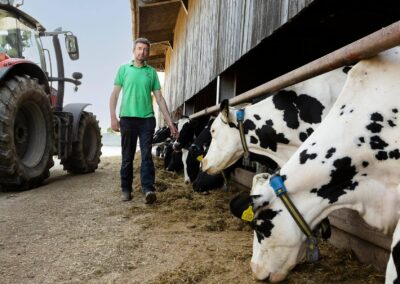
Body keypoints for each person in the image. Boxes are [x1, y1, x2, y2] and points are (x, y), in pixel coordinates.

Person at [109, 37, 178, 203]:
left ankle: (148, 189)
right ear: (134, 50)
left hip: (146, 120)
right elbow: (115, 95)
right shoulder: (124, 70)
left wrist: (170, 123)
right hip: (127, 119)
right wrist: (113, 117)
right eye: (139, 49)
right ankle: (126, 189)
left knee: (147, 155)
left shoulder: (151, 72)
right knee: (127, 156)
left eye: (145, 50)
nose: (142, 52)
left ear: (148, 53)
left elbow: (160, 98)